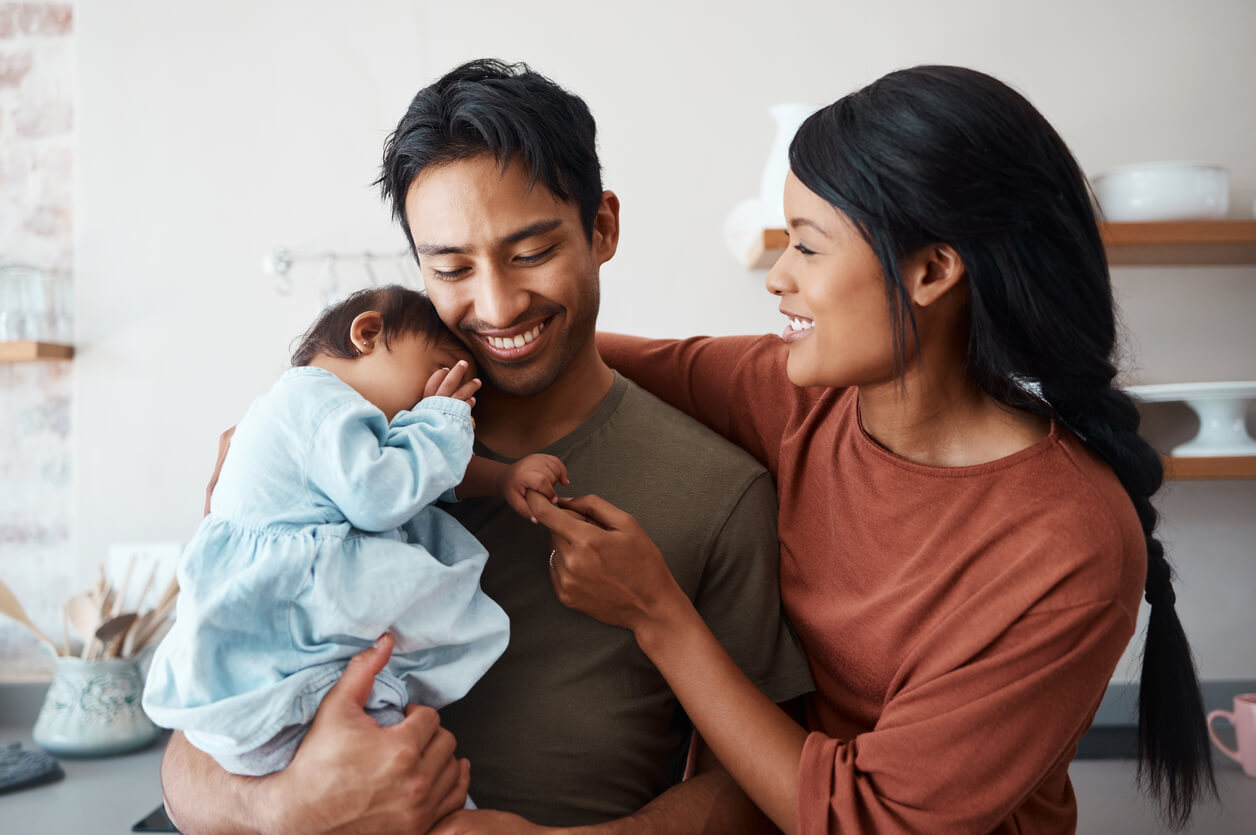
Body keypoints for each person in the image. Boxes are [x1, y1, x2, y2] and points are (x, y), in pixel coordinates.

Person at [531, 65, 1217, 833]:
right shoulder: (800, 398)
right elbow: (586, 358)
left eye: (808, 248)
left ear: (931, 270)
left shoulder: (1070, 542)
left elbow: (871, 819)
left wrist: (657, 614)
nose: (778, 277)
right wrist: (427, 333)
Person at [159, 59, 813, 833]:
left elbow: (762, 793)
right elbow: (193, 739)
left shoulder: (715, 492)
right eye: (452, 267)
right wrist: (282, 807)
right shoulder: (321, 449)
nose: (497, 305)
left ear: (601, 227)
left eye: (532, 252)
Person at [144, 284, 568, 780]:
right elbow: (383, 491)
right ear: (368, 334)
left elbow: (421, 476)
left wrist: (500, 477)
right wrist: (439, 422)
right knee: (403, 782)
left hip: (280, 678)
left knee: (396, 778)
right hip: (296, 663)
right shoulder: (317, 403)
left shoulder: (315, 419)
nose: (446, 397)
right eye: (441, 374)